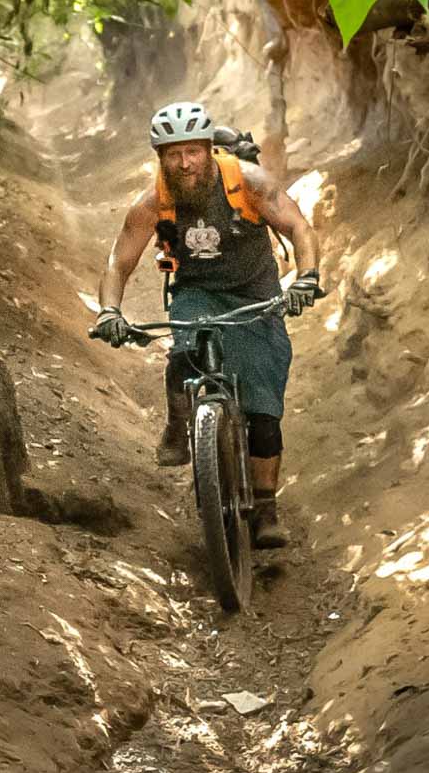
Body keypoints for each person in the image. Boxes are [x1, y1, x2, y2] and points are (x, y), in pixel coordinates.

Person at [89, 100, 324, 548]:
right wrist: (109, 312)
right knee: (184, 349)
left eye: (193, 151)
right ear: (161, 158)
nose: (185, 162)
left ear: (208, 150)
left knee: (262, 409)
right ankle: (181, 421)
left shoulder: (248, 183)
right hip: (196, 291)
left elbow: (298, 227)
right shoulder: (154, 200)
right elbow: (118, 264)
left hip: (255, 294)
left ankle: (265, 506)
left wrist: (306, 279)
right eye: (174, 154)